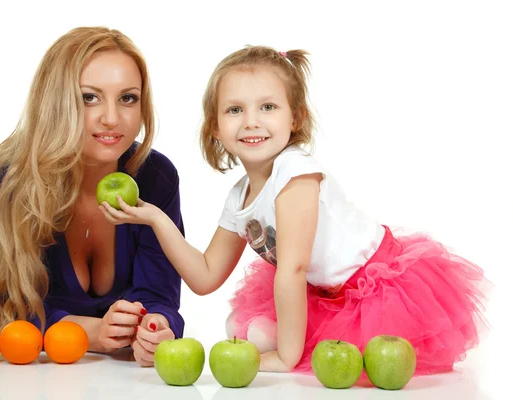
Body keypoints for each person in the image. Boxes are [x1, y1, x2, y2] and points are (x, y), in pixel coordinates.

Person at [101, 45, 491, 374]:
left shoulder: (297, 173)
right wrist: (154, 217)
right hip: (322, 293)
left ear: (296, 117)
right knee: (243, 329)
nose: (251, 121)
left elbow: (293, 268)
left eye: (267, 107)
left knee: (299, 345)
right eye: (235, 110)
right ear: (215, 128)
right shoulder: (239, 196)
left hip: (375, 287)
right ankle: (297, 343)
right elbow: (204, 277)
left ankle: (301, 348)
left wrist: (287, 357)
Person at [0, 27, 185, 367]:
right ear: (55, 102)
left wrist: (157, 326)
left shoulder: (155, 177)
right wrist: (93, 333)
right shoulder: (13, 181)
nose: (112, 118)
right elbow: (3, 306)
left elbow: (161, 295)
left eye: (128, 98)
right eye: (90, 97)